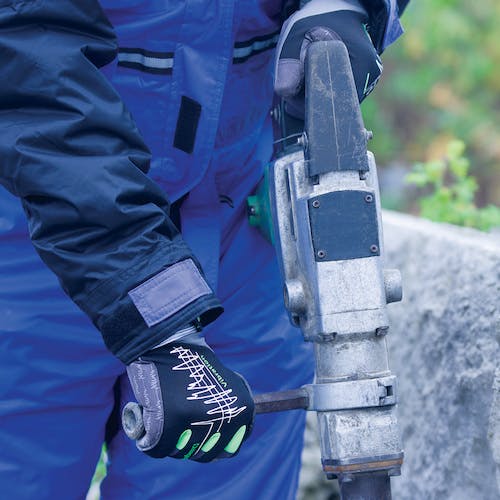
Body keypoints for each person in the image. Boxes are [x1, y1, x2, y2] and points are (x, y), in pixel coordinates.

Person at [0, 0, 409, 498]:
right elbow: (28, 63)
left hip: (241, 231)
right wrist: (158, 314)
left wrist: (345, 5)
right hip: (34, 229)